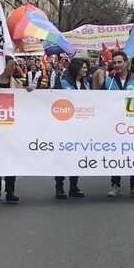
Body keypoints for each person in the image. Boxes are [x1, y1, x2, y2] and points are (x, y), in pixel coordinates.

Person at [0, 56, 33, 203]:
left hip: (11, 130)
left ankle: (10, 191)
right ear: (2, 66)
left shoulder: (17, 84)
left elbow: (23, 102)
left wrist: (28, 92)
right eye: (11, 65)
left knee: (11, 160)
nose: (14, 67)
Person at [101, 51, 134, 199]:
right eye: (114, 63)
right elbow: (101, 101)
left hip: (133, 125)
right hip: (114, 126)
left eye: (120, 62)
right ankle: (115, 184)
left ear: (126, 63)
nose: (117, 65)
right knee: (116, 155)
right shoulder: (109, 81)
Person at [53, 58, 88, 199]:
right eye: (84, 67)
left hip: (79, 128)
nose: (86, 70)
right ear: (76, 68)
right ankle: (59, 187)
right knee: (62, 158)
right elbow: (52, 98)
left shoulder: (86, 84)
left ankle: (74, 186)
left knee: (76, 157)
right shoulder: (62, 82)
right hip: (63, 127)